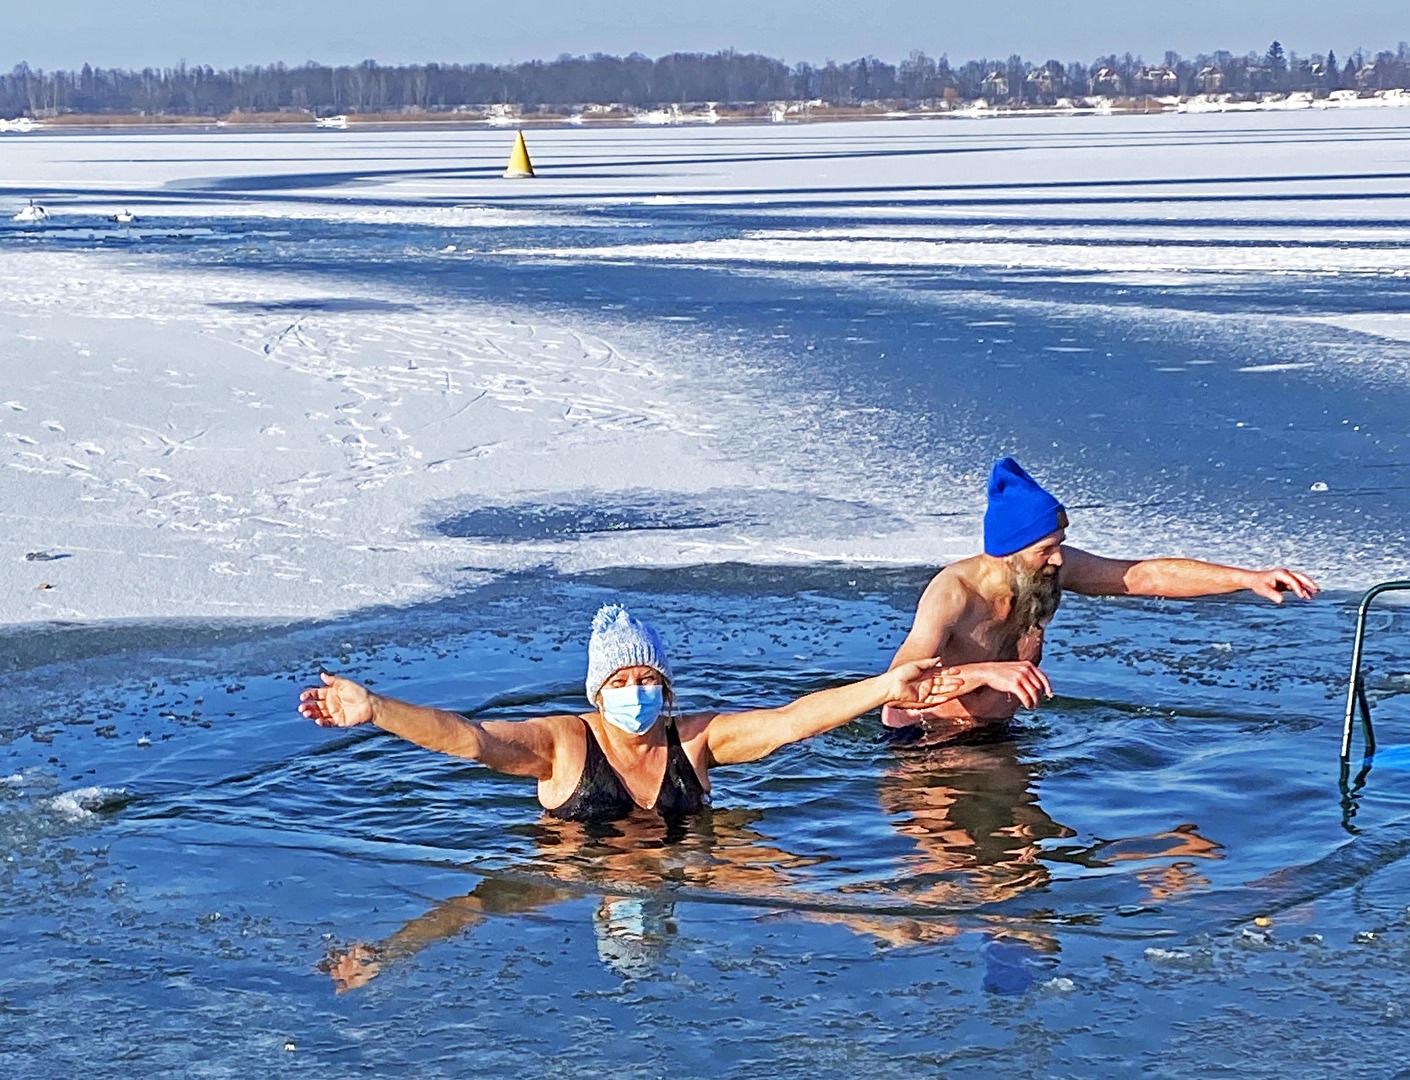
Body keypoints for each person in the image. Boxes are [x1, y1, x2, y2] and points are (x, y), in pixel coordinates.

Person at [299, 603, 963, 821]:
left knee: (771, 880)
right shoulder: (561, 745)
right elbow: (472, 739)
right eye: (622, 678)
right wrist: (376, 709)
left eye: (649, 677)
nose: (637, 689)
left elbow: (791, 720)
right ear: (598, 690)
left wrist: (886, 687)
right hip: (574, 867)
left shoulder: (696, 741)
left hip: (684, 863)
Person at [884, 457, 1319, 736]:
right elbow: (898, 685)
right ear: (1006, 553)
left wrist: (1247, 578)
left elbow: (1146, 576)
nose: (1058, 560)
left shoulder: (1046, 571)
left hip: (993, 735)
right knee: (955, 862)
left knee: (1030, 860)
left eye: (1060, 544)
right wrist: (984, 673)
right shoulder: (954, 593)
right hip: (925, 741)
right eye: (1045, 550)